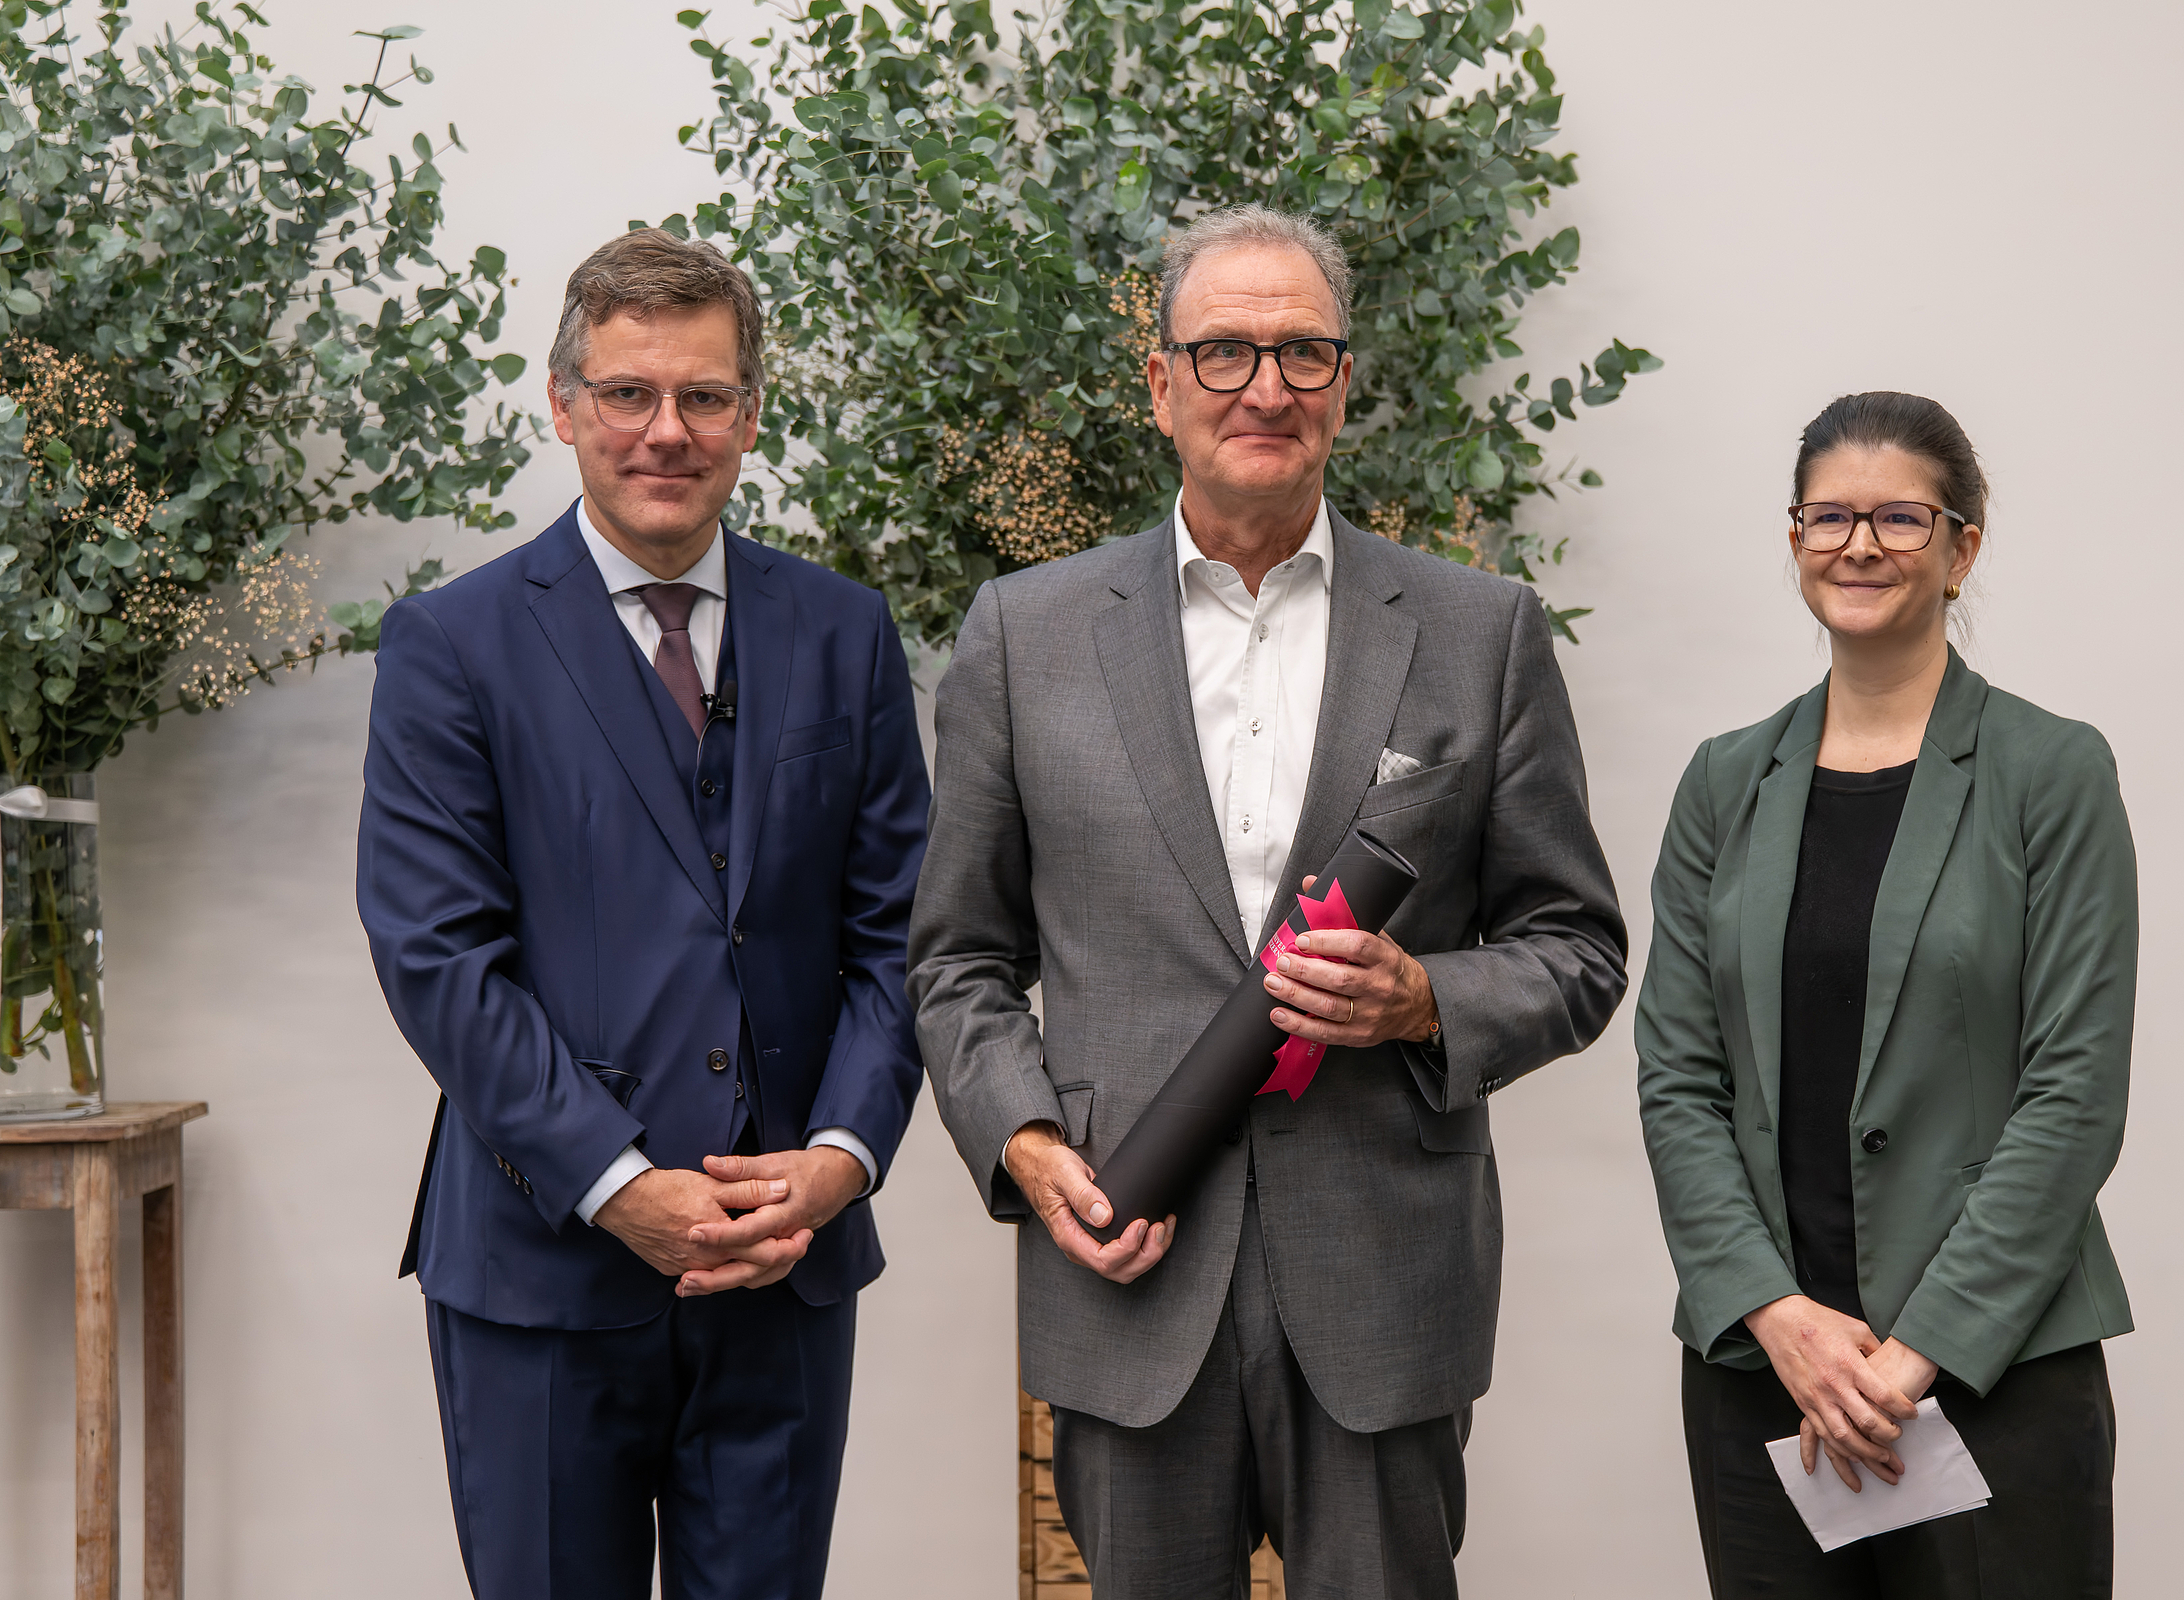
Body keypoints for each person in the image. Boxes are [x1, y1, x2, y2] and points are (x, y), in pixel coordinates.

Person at [908, 204, 1627, 1599]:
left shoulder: (1480, 633)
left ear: (1344, 385)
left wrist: (1424, 999)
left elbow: (1578, 948)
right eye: (1224, 352)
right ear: (1159, 382)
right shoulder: (1023, 635)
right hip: (1127, 1255)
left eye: (1303, 353)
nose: (1266, 387)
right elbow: (957, 962)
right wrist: (1027, 1144)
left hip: (1381, 1276)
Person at [357, 229, 929, 1600]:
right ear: (564, 406)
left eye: (705, 396)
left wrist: (841, 1156)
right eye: (628, 393)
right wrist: (618, 1186)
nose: (667, 430)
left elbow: (904, 934)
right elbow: (440, 959)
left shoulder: (845, 632)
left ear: (751, 413)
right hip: (539, 1272)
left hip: (785, 1266)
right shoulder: (452, 644)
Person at [1636, 392, 2135, 1596]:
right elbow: (1679, 1082)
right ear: (1796, 538)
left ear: (1962, 548)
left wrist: (1914, 1355)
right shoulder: (1722, 783)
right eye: (1831, 516)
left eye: (1901, 518)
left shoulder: (2052, 771)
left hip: (1993, 1370)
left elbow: (2073, 1093)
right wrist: (1776, 1313)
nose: (1860, 544)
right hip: (1767, 1374)